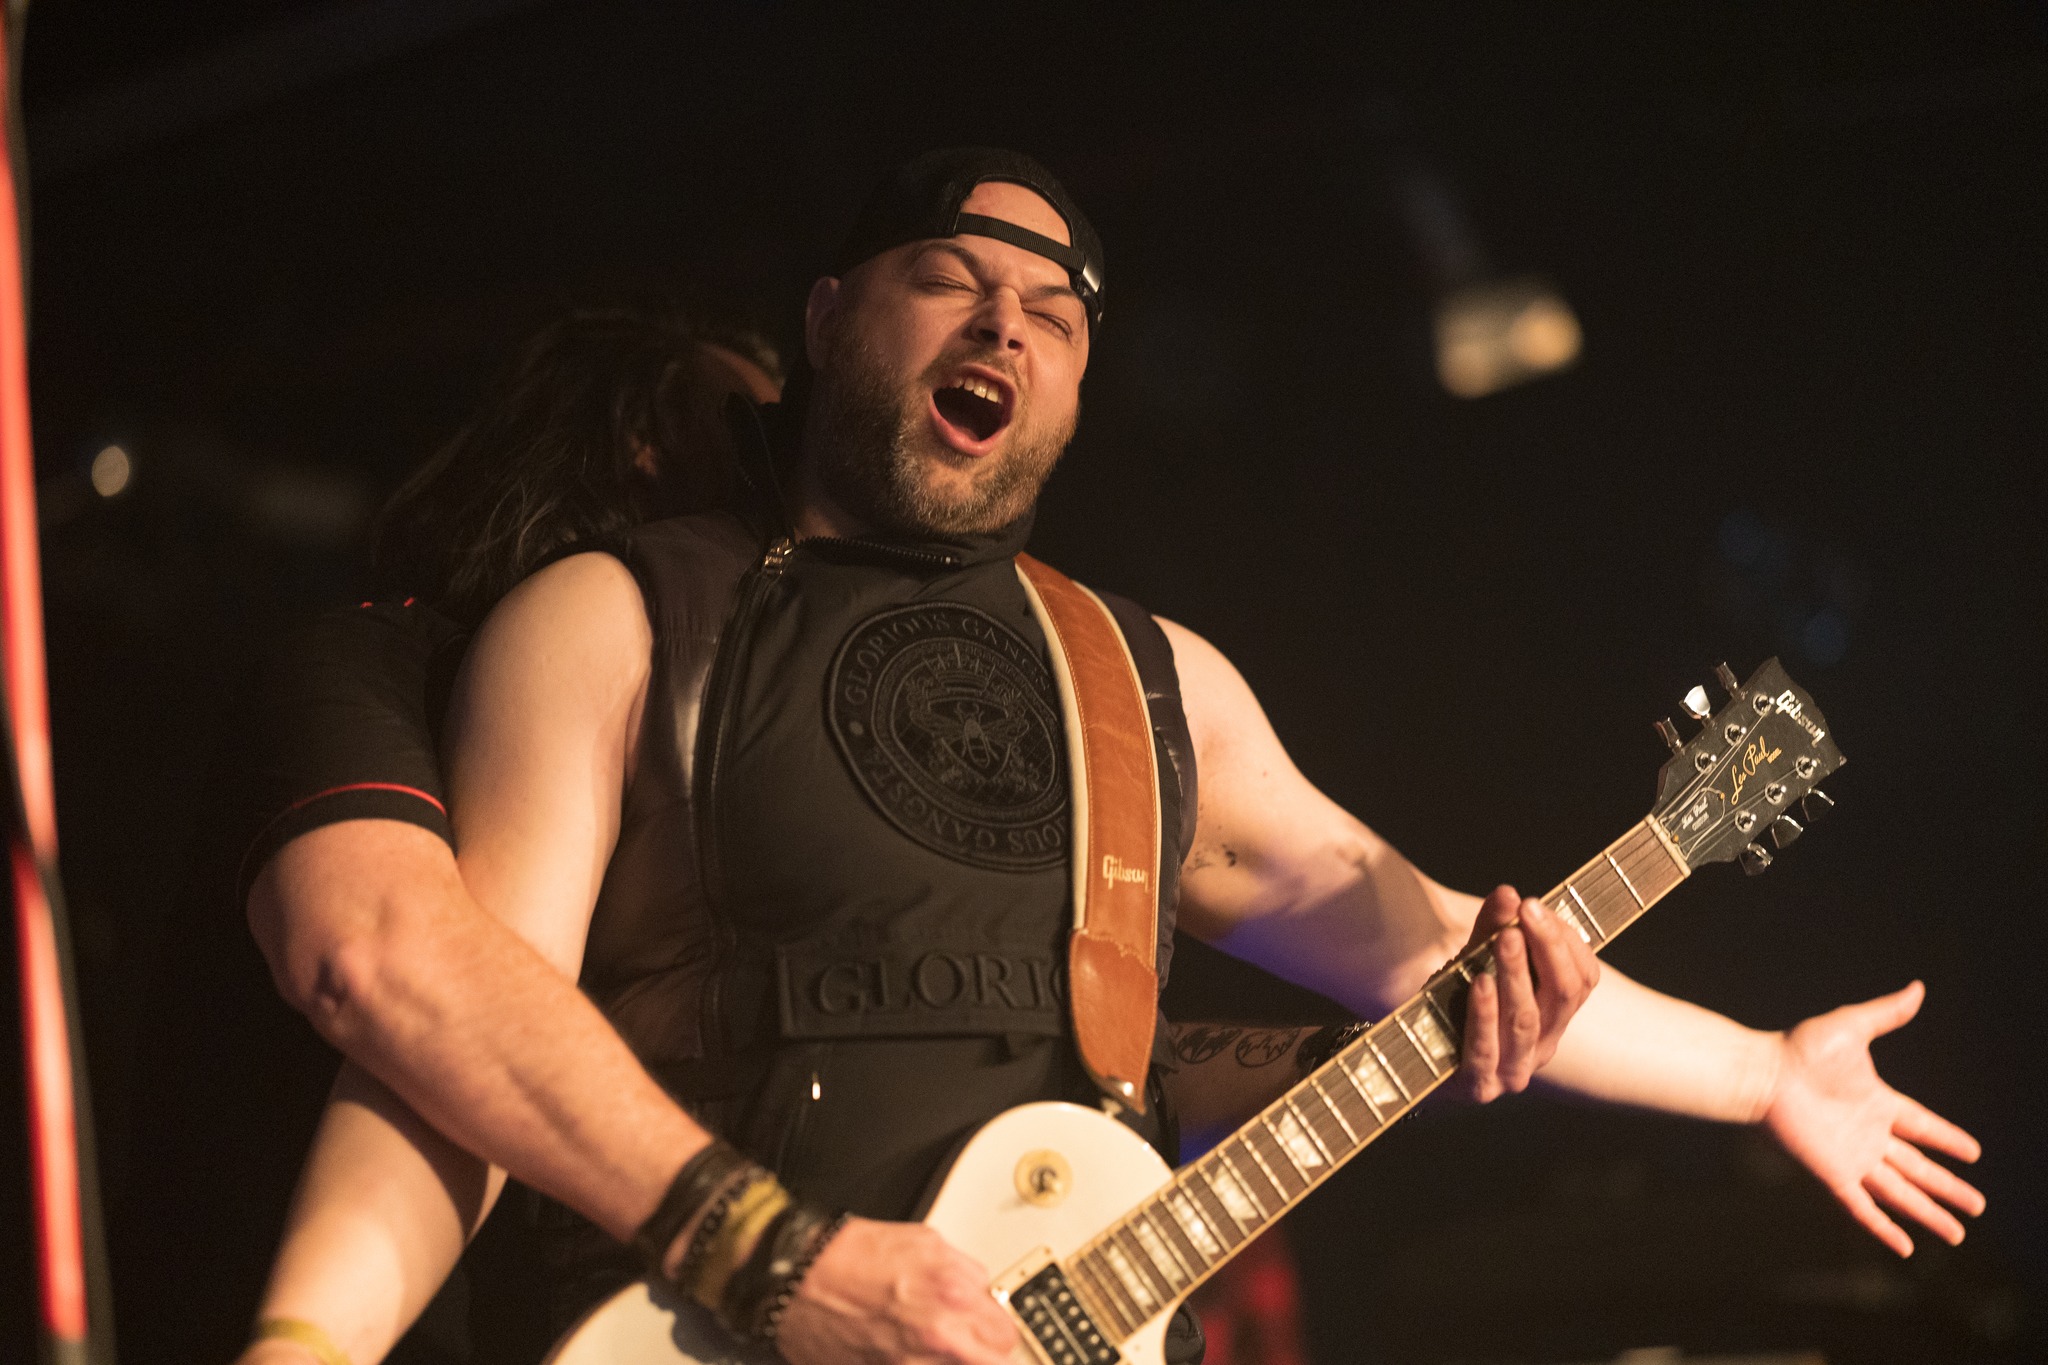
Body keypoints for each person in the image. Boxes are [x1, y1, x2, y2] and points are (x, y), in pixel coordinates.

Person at [242, 149, 1983, 1365]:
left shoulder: (1150, 682)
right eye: (953, 279)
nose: (1005, 326)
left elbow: (1425, 936)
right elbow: (458, 1032)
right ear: (829, 318)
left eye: (1054, 314)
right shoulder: (611, 618)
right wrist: (310, 1341)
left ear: (1077, 391)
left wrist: (1760, 1074)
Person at [234, 306, 782, 1364]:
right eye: (752, 422)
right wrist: (773, 1250)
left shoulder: (722, 767)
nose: (786, 452)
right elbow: (377, 956)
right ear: (642, 438)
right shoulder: (369, 665)